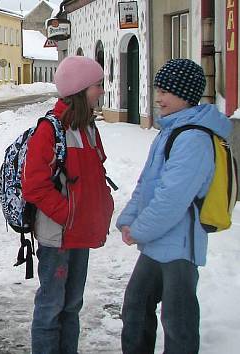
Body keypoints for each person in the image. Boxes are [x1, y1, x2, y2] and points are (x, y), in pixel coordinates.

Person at [116, 59, 231, 354]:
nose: (158, 97)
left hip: (180, 246)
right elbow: (147, 183)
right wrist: (127, 219)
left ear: (186, 94)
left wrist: (139, 231)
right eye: (158, 89)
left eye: (166, 91)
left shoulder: (193, 138)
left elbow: (172, 199)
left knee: (178, 321)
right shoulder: (171, 131)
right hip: (159, 242)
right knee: (136, 307)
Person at [22, 56, 115, 353]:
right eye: (96, 85)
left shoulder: (89, 127)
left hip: (80, 233)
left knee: (72, 305)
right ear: (79, 89)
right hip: (57, 236)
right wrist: (69, 215)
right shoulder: (50, 131)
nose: (101, 90)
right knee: (51, 307)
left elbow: (95, 174)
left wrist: (103, 207)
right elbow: (34, 186)